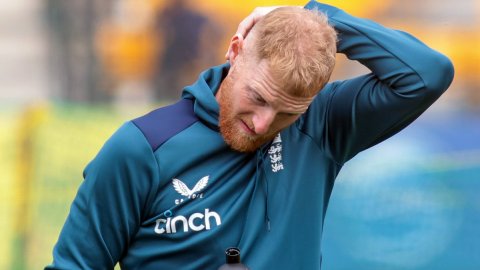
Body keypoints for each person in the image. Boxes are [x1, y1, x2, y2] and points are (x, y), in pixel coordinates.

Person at [46, 1, 454, 269]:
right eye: (257, 98)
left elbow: (427, 74)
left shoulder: (321, 124)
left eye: (286, 113)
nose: (262, 124)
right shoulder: (141, 148)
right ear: (236, 51)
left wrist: (313, 17)